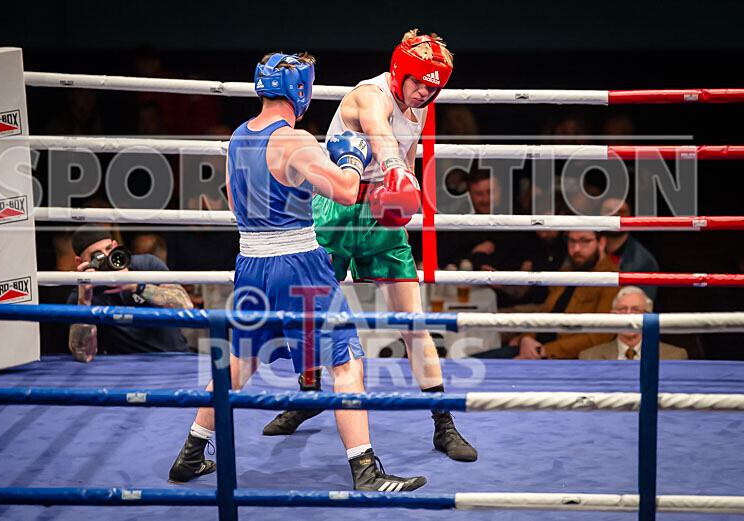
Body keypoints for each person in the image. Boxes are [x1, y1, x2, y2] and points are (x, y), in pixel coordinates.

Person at [168, 52, 427, 492]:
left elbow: (234, 200)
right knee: (347, 363)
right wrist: (349, 158)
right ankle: (366, 471)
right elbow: (346, 193)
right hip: (298, 265)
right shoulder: (296, 140)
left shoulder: (237, 138)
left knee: (240, 360)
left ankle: (191, 454)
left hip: (250, 263)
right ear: (301, 91)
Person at [261, 30, 477, 463]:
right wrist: (396, 169)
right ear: (400, 70)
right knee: (310, 312)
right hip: (336, 210)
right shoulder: (368, 95)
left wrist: (405, 194)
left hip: (382, 217)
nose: (424, 93)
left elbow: (407, 156)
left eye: (433, 88)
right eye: (419, 83)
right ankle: (307, 397)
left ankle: (443, 423)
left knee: (412, 321)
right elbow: (380, 134)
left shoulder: (419, 107)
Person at [67, 225, 192, 362]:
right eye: (98, 256)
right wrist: (84, 301)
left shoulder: (146, 265)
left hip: (175, 358)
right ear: (81, 262)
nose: (107, 257)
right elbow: (84, 355)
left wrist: (136, 286)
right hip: (126, 368)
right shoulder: (82, 296)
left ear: (115, 245)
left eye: (109, 249)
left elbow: (185, 306)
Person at [513, 230, 619, 359]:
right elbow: (545, 312)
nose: (576, 249)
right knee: (486, 362)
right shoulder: (565, 271)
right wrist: (526, 339)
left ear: (601, 243)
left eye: (585, 241)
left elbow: (600, 336)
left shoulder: (612, 279)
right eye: (572, 241)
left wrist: (544, 350)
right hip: (536, 348)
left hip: (564, 358)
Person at [580, 286, 687, 360]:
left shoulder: (674, 356)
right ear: (612, 315)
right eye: (622, 309)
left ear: (649, 317)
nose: (629, 315)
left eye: (635, 310)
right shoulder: (589, 357)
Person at [600, 197, 659, 300]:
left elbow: (640, 307)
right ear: (599, 215)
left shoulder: (644, 261)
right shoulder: (585, 251)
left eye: (621, 212)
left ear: (630, 216)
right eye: (609, 211)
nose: (615, 217)